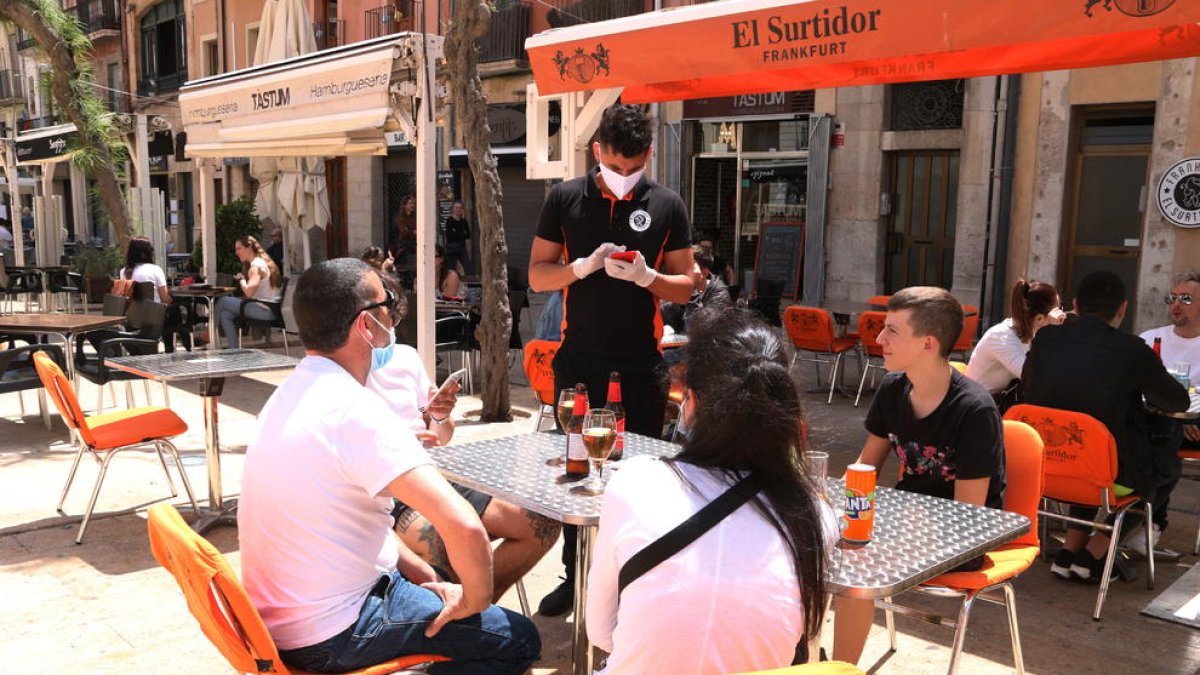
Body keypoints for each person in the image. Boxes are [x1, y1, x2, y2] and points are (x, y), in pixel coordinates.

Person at [238, 258, 540, 674]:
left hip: (285, 620)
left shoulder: (289, 393)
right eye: (387, 304)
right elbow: (465, 526)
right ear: (367, 324)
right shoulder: (356, 410)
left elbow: (362, 524)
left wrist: (421, 574)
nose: (393, 313)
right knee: (517, 639)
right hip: (334, 631)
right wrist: (472, 603)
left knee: (439, 581)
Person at [586, 310, 832, 673]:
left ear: (694, 401)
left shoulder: (636, 481)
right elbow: (800, 640)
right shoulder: (814, 514)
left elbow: (602, 632)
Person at [528, 103, 696, 616]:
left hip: (641, 365)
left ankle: (630, 584)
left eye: (633, 168)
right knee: (575, 472)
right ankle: (574, 575)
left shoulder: (666, 204)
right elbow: (537, 274)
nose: (623, 177)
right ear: (597, 152)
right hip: (579, 362)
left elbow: (687, 287)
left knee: (637, 479)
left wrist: (649, 279)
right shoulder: (565, 198)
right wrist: (577, 268)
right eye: (614, 166)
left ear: (648, 155)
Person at [832, 286, 1005, 665]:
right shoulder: (894, 389)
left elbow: (968, 516)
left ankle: (839, 670)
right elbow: (865, 470)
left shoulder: (974, 411)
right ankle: (808, 658)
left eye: (892, 330)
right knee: (804, 543)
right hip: (906, 521)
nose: (879, 338)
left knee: (856, 563)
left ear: (927, 344)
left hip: (961, 538)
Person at [365, 287, 560, 604]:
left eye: (395, 317)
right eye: (387, 317)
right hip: (392, 492)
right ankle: (463, 616)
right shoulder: (339, 378)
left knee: (541, 521)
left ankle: (475, 608)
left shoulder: (405, 357)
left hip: (437, 474)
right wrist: (399, 445)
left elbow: (440, 433)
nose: (392, 327)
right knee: (448, 542)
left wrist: (439, 415)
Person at [1023, 271, 1189, 580]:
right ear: (1123, 309)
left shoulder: (1045, 339)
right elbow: (1176, 402)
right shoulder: (1132, 350)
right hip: (1107, 474)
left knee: (1090, 456)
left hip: (1049, 470)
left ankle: (1068, 550)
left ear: (1075, 304)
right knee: (1165, 468)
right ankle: (1096, 552)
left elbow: (1028, 387)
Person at [965, 279, 1063, 406]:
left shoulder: (1028, 334)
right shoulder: (1003, 338)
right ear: (1039, 318)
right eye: (1058, 310)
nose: (1062, 315)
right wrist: (1054, 332)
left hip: (997, 402)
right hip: (976, 409)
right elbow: (1036, 380)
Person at [120, 237, 190, 352]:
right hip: (154, 319)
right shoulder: (155, 270)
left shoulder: (124, 272)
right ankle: (174, 347)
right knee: (174, 311)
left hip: (133, 319)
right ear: (147, 253)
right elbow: (165, 299)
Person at [214, 235, 283, 349]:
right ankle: (234, 352)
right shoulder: (261, 262)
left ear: (249, 247)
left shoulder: (256, 266)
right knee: (225, 315)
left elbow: (249, 293)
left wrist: (241, 280)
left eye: (239, 248)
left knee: (223, 300)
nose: (236, 252)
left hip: (264, 311)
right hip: (270, 310)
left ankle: (208, 334)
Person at [660, 244, 732, 334]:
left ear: (704, 273)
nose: (682, 271)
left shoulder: (720, 294)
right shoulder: (685, 287)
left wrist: (690, 294)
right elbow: (664, 311)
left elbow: (701, 328)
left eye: (688, 267)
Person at [443, 202, 472, 275]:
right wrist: (461, 233)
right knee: (451, 269)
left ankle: (469, 284)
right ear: (453, 209)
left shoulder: (464, 221)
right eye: (456, 207)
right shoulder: (449, 221)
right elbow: (449, 235)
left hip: (461, 247)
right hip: (451, 248)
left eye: (460, 208)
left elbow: (468, 235)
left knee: (468, 268)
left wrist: (456, 232)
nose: (458, 209)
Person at [392, 195, 418, 265]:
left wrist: (410, 230)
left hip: (415, 243)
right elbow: (404, 231)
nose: (412, 205)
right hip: (403, 244)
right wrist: (412, 231)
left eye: (413, 203)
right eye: (410, 203)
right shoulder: (399, 217)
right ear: (404, 205)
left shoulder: (415, 217)